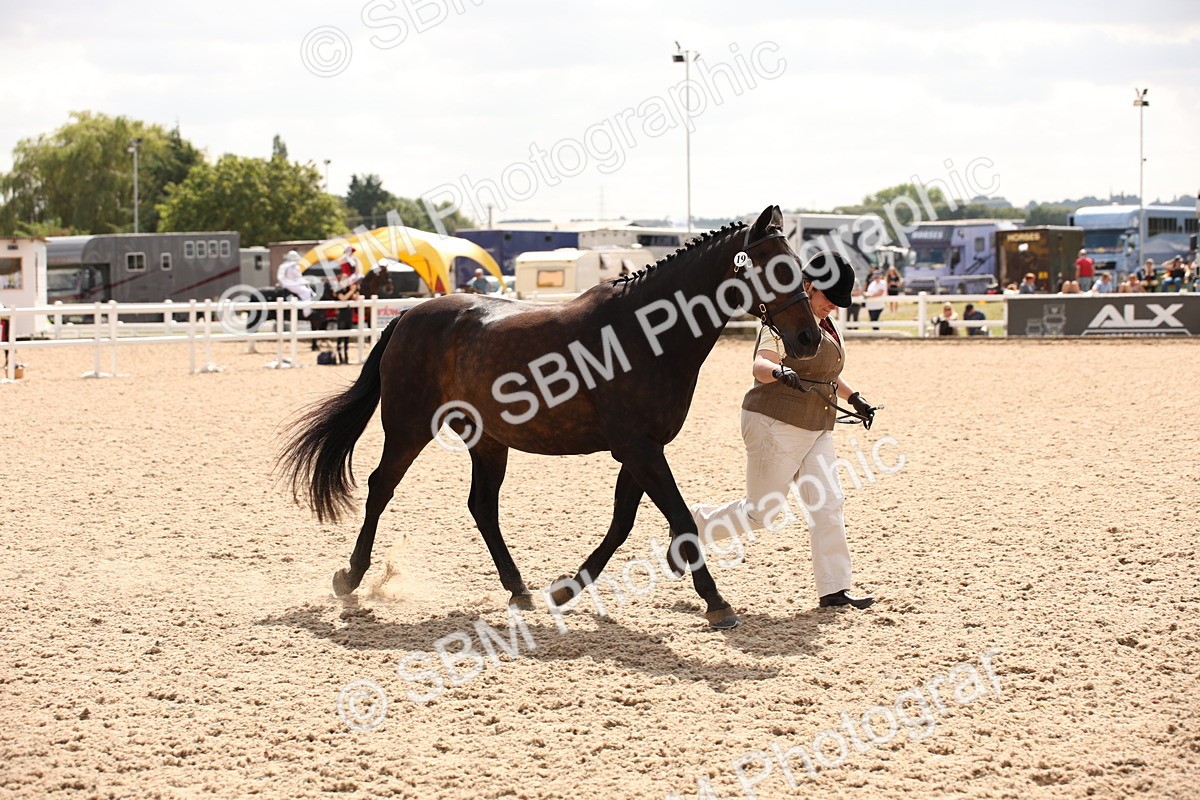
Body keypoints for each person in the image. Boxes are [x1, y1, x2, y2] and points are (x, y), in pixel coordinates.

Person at [690, 252, 878, 610]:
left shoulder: (824, 325)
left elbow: (827, 372)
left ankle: (834, 590)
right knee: (761, 514)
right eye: (830, 300)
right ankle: (693, 525)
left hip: (817, 427)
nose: (833, 308)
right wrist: (779, 373)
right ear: (808, 286)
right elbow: (761, 364)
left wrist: (856, 398)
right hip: (775, 424)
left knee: (829, 503)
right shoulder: (781, 321)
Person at [334, 263, 359, 364]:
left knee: (347, 336)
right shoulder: (338, 289)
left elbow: (356, 298)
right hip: (341, 314)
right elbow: (343, 298)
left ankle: (346, 356)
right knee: (340, 336)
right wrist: (351, 291)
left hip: (349, 314)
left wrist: (355, 291)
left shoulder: (349, 289)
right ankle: (340, 357)